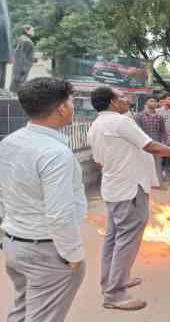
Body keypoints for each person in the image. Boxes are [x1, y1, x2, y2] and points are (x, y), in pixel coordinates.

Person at [88, 86, 170, 311]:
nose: (127, 99)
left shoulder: (96, 125)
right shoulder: (120, 122)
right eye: (122, 96)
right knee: (126, 239)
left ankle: (112, 280)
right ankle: (115, 293)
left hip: (114, 188)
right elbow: (151, 145)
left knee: (114, 238)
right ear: (113, 103)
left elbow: (99, 162)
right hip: (129, 190)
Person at [0, 78, 86, 321]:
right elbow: (59, 215)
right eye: (71, 101)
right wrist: (74, 256)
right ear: (61, 109)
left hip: (16, 245)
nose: (73, 106)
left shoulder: (10, 142)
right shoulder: (55, 154)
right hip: (47, 251)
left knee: (22, 311)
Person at [135, 96, 167, 190]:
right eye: (151, 101)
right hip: (144, 144)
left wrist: (163, 143)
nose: (154, 103)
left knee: (157, 164)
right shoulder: (139, 116)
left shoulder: (159, 117)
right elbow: (137, 131)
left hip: (157, 144)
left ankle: (159, 184)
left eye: (155, 101)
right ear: (146, 103)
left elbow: (163, 131)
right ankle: (143, 186)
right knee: (143, 165)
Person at [9, 25, 35, 93]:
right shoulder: (27, 41)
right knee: (19, 87)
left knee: (15, 86)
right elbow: (21, 56)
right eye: (32, 30)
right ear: (26, 31)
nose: (33, 32)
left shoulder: (21, 39)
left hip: (18, 68)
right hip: (22, 69)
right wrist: (24, 69)